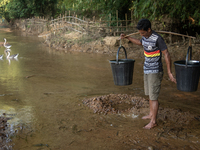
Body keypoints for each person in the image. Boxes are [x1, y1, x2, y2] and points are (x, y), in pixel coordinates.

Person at [120, 19, 176, 129]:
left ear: (149, 29)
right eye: (140, 33)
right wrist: (127, 37)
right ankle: (151, 114)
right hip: (146, 69)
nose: (141, 35)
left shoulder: (158, 39)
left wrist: (169, 72)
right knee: (150, 94)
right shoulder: (145, 37)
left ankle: (154, 121)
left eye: (143, 33)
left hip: (155, 71)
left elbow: (167, 54)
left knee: (154, 97)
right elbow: (140, 43)